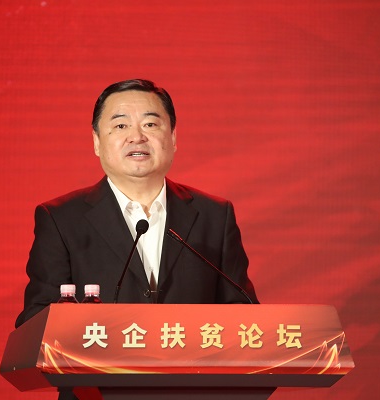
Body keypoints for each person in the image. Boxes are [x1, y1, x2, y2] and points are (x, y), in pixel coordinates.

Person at [15, 79, 258, 398]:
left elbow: (246, 319)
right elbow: (35, 321)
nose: (137, 136)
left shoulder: (214, 215)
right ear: (97, 142)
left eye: (150, 124)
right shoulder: (61, 218)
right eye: (120, 125)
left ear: (173, 138)